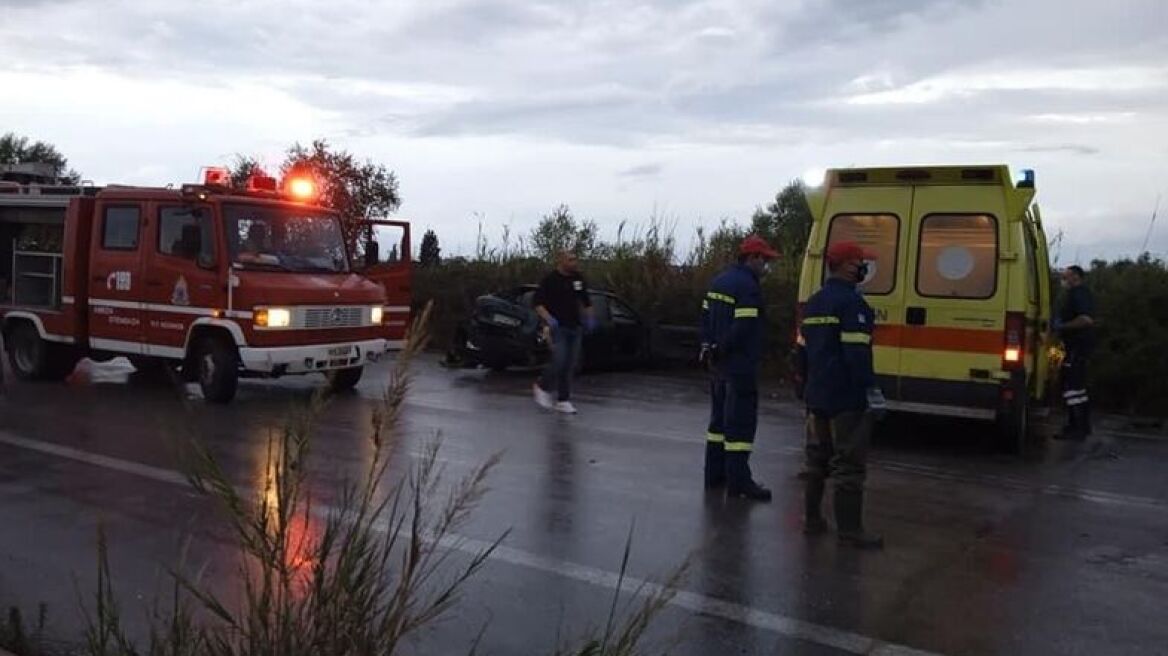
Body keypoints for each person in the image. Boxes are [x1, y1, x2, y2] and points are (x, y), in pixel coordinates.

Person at [799, 241, 886, 549]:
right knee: (848, 464)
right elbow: (856, 354)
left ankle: (812, 521)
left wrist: (806, 386)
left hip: (817, 395)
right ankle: (850, 531)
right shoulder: (853, 305)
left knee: (815, 461)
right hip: (847, 398)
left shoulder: (814, 302)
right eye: (860, 262)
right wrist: (871, 390)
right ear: (847, 265)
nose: (864, 267)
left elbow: (802, 350)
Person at [701, 235, 779, 501]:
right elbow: (743, 328)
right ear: (752, 258)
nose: (766, 266)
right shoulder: (748, 287)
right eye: (764, 260)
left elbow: (705, 318)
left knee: (718, 425)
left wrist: (709, 347)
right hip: (740, 365)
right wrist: (722, 347)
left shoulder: (718, 281)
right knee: (740, 428)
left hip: (718, 366)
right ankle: (739, 482)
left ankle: (714, 475)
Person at [532, 250, 595, 414]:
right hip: (558, 328)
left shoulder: (578, 279)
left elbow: (586, 301)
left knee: (570, 365)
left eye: (575, 259)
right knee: (559, 361)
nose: (574, 263)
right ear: (561, 261)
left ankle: (563, 400)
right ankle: (541, 386)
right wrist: (549, 319)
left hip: (575, 327)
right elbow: (538, 304)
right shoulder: (550, 280)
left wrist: (590, 319)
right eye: (571, 260)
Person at [1054, 265, 1100, 446]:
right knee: (1077, 387)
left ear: (1075, 276)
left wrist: (1062, 326)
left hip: (1077, 347)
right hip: (1077, 347)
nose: (1064, 279)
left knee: (1072, 386)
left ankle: (1077, 428)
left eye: (1066, 275)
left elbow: (1086, 319)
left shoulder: (1079, 294)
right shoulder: (1079, 293)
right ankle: (1081, 425)